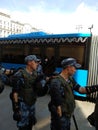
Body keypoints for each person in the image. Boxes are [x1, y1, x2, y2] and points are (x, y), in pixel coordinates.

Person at [48, 58, 98, 130]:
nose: (75, 70)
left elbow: (81, 90)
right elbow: (56, 101)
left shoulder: (70, 79)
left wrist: (96, 87)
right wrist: (59, 113)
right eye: (74, 68)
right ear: (68, 68)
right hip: (61, 116)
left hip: (67, 114)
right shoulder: (56, 82)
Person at [11, 55, 48, 130]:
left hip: (31, 103)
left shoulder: (35, 74)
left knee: (31, 123)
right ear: (30, 63)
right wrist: (16, 108)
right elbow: (15, 93)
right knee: (23, 126)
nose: (37, 64)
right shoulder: (20, 75)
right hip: (23, 105)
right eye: (36, 62)